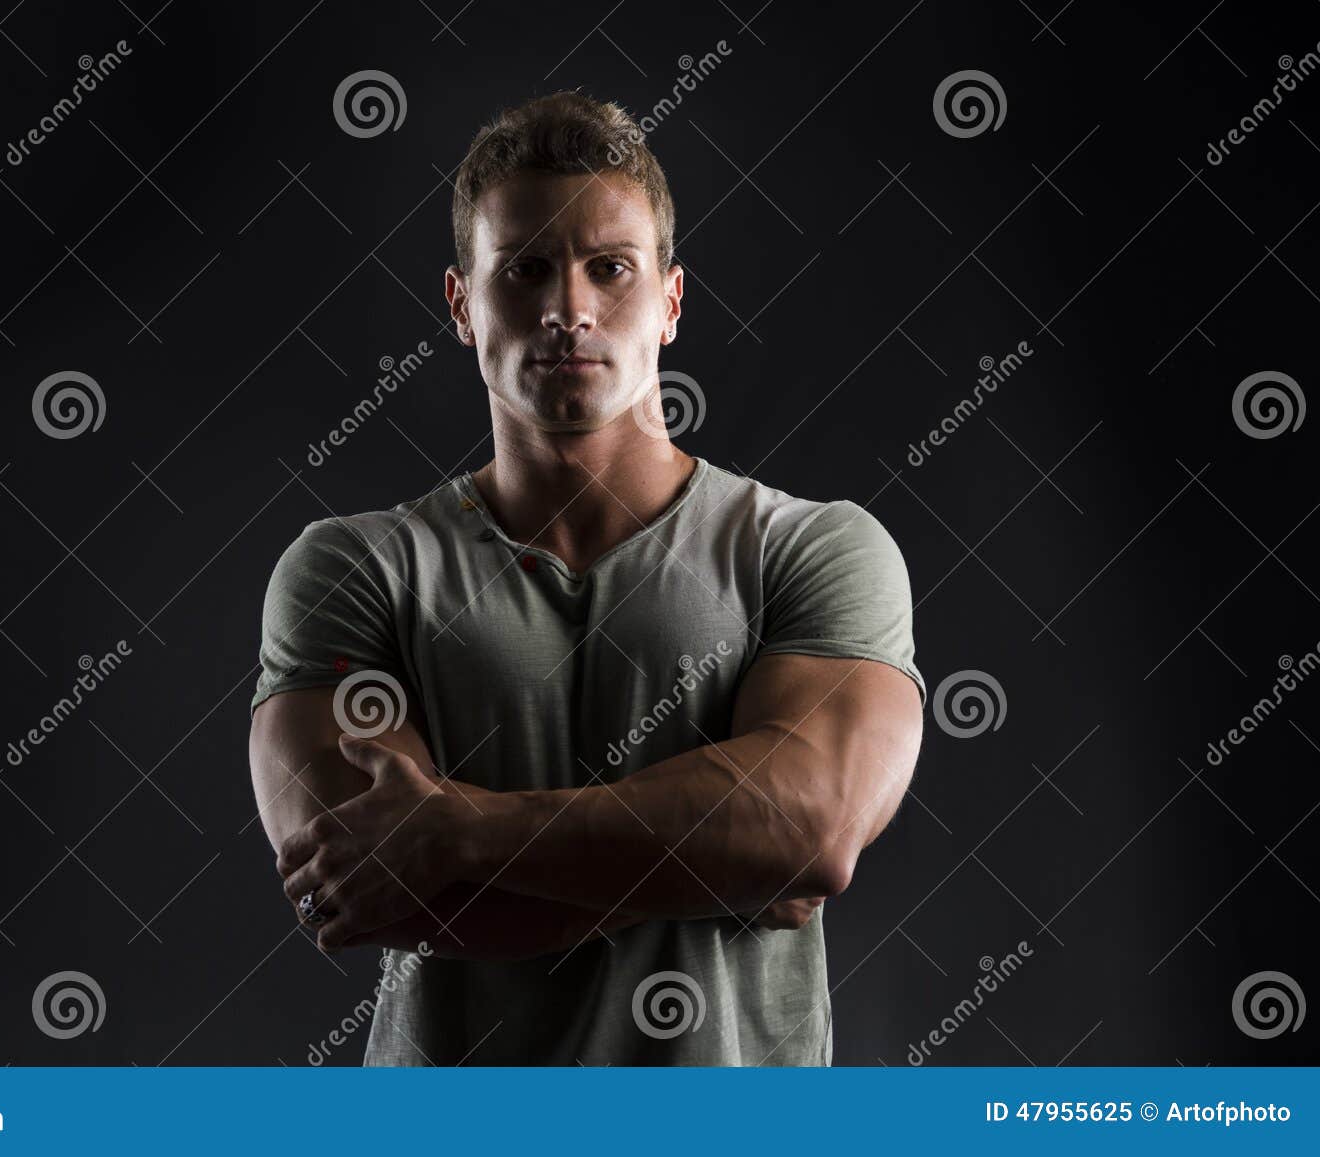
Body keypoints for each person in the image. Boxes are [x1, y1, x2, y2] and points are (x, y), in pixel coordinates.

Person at [247, 91, 925, 1066]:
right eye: (524, 270)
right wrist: (720, 854)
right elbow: (376, 885)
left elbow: (808, 828)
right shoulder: (353, 567)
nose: (568, 308)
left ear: (671, 302)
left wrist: (465, 830)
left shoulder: (810, 547)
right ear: (460, 304)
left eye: (609, 268)